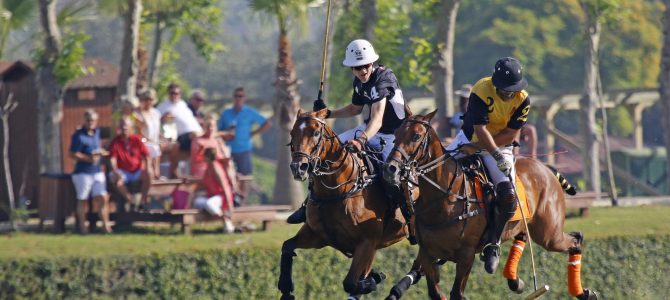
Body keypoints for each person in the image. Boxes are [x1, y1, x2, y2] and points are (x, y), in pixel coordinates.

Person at [286, 39, 407, 224]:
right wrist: (327, 113)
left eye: (366, 66)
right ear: (352, 68)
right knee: (327, 150)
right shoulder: (358, 83)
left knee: (389, 172)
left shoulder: (383, 79)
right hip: (369, 130)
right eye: (358, 68)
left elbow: (377, 118)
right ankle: (307, 205)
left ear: (372, 63)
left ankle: (403, 212)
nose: (363, 71)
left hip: (394, 135)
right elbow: (355, 109)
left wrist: (361, 140)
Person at [445, 57, 531, 274]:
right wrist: (479, 149)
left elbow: (512, 133)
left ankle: (493, 243)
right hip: (469, 139)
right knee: (437, 174)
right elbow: (480, 130)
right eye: (505, 90)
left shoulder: (523, 100)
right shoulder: (481, 90)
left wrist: (496, 154)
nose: (509, 93)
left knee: (509, 197)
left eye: (513, 89)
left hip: (501, 145)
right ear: (495, 83)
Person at [217, 87, 271, 201]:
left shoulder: (249, 112)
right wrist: (226, 134)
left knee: (245, 177)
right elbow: (218, 131)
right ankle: (231, 201)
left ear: (244, 98)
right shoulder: (226, 114)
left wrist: (254, 133)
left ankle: (242, 202)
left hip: (244, 150)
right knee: (229, 176)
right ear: (233, 98)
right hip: (228, 150)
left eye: (240, 96)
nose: (238, 98)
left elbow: (267, 123)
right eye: (236, 96)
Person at [69, 109, 112, 234]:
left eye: (93, 120)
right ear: (84, 120)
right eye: (88, 120)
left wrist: (100, 153)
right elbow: (72, 153)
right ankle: (83, 227)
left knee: (103, 197)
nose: (90, 123)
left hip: (97, 171)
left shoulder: (96, 133)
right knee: (83, 199)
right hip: (83, 172)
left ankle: (106, 226)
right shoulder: (78, 135)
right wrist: (88, 158)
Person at [156, 83, 203, 178]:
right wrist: (163, 118)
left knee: (212, 139)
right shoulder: (163, 106)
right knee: (196, 137)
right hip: (181, 136)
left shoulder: (183, 104)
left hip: (197, 133)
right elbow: (156, 122)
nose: (174, 95)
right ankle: (191, 173)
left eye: (177, 93)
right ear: (168, 93)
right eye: (172, 93)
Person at [108, 117, 152, 211]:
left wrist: (148, 168)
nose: (125, 128)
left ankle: (142, 202)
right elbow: (113, 159)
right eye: (123, 126)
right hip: (123, 172)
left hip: (137, 171)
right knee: (117, 180)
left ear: (131, 127)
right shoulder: (116, 141)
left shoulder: (137, 139)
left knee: (149, 174)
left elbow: (147, 156)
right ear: (119, 127)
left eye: (126, 126)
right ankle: (131, 201)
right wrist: (115, 171)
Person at [190, 147, 235, 233]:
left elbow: (224, 186)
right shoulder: (208, 168)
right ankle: (224, 220)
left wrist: (229, 203)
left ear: (207, 157)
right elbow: (203, 182)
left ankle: (225, 219)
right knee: (198, 201)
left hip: (221, 197)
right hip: (212, 196)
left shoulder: (216, 168)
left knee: (209, 204)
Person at [135, 88, 162, 179]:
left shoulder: (156, 113)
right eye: (146, 99)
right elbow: (140, 128)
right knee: (149, 170)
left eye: (151, 99)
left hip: (155, 143)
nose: (148, 101)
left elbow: (158, 130)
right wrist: (141, 112)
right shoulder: (137, 114)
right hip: (144, 143)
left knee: (156, 171)